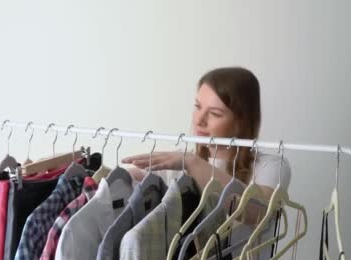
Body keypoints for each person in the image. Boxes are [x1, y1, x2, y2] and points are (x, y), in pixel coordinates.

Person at [123, 66, 291, 222]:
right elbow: (128, 178)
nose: (199, 120)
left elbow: (257, 214)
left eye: (215, 114)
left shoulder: (271, 167)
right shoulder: (178, 161)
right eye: (198, 107)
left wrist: (192, 162)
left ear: (242, 122)